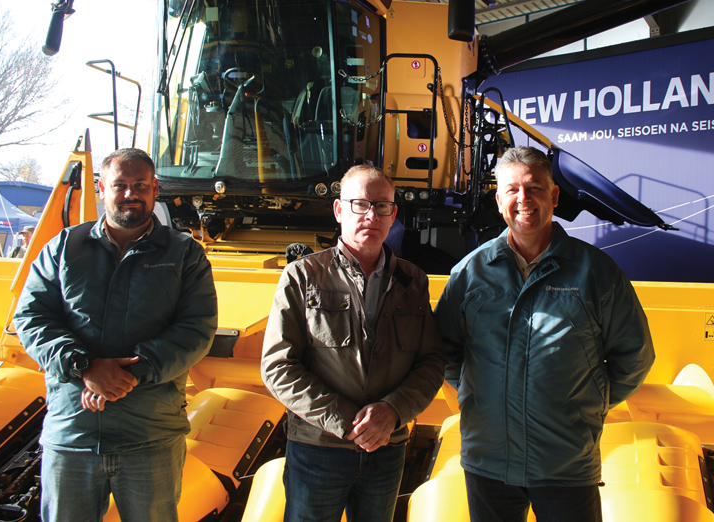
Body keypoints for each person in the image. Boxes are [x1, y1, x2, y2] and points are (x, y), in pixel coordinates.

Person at [434, 147, 655, 522]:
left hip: (565, 462)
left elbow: (634, 355)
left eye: (534, 187)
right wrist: (480, 396)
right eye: (512, 189)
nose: (523, 199)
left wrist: (586, 404)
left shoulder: (595, 272)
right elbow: (445, 349)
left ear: (553, 195)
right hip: (488, 460)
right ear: (499, 200)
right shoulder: (471, 273)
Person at [13, 148, 218, 522]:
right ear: (101, 188)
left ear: (155, 189)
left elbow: (197, 329)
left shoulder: (184, 253)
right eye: (120, 185)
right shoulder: (64, 248)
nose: (130, 194)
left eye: (140, 185)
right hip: (73, 433)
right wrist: (85, 367)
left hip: (150, 437)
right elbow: (32, 318)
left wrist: (129, 374)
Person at [261, 164, 445, 522]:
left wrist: (392, 412)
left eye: (382, 206)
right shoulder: (302, 276)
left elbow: (431, 361)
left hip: (386, 450)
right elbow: (278, 366)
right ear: (338, 210)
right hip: (318, 449)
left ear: (393, 215)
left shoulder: (413, 281)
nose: (371, 215)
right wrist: (347, 421)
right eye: (360, 204)